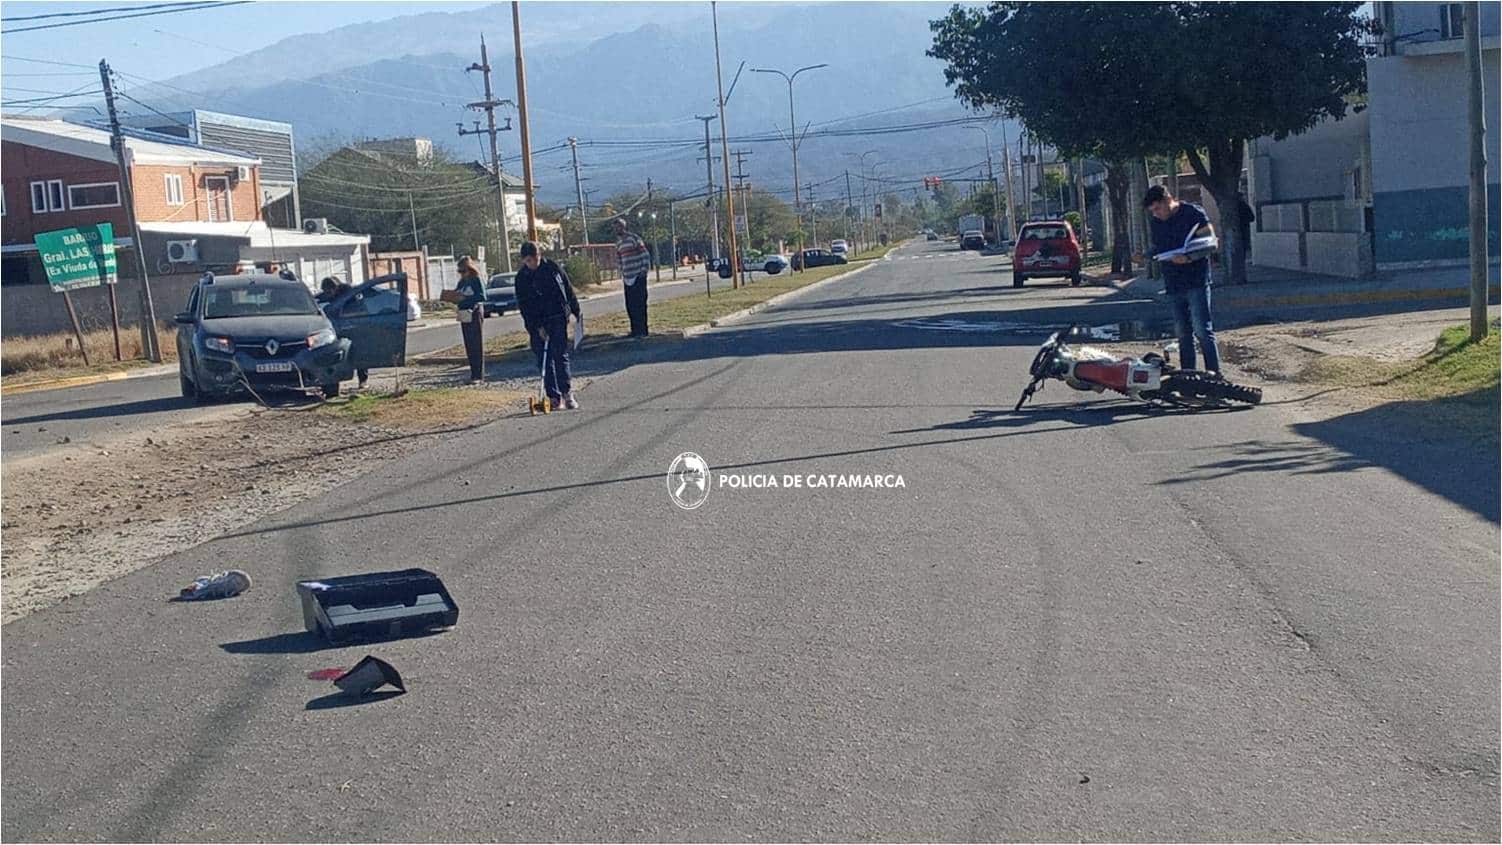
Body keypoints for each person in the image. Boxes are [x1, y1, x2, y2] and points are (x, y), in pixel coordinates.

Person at [1139, 185, 1221, 375]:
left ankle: (1215, 376)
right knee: (1183, 333)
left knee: (1202, 330)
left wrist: (1189, 258)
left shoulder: (1193, 214)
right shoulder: (1156, 222)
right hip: (1173, 282)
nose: (1156, 214)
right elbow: (1159, 248)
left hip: (1196, 280)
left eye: (1158, 209)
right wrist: (1146, 255)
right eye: (1152, 211)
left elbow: (1211, 244)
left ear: (1169, 200)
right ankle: (1188, 376)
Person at [515, 241, 581, 409]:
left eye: (536, 258)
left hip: (557, 317)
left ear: (540, 255)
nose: (533, 263)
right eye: (529, 260)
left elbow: (567, 289)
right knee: (544, 359)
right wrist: (537, 327)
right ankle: (553, 396)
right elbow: (524, 306)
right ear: (524, 260)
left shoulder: (552, 268)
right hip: (536, 322)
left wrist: (575, 311)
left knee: (560, 355)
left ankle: (567, 393)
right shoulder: (522, 278)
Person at [316, 276, 367, 388]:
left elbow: (359, 308)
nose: (328, 294)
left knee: (357, 353)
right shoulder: (331, 293)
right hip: (339, 326)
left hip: (354, 324)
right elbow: (321, 298)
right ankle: (334, 382)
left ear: (334, 288)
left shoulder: (348, 292)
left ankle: (363, 380)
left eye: (329, 291)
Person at [614, 217, 652, 337]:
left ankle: (643, 330)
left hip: (638, 275)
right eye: (615, 227)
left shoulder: (634, 239)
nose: (617, 229)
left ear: (624, 227)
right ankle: (635, 330)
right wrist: (622, 272)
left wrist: (644, 270)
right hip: (627, 277)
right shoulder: (619, 243)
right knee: (631, 305)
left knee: (640, 303)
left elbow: (645, 254)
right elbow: (619, 259)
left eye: (619, 226)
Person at [454, 256, 487, 384]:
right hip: (463, 313)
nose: (461, 274)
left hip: (474, 312)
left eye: (463, 271)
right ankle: (473, 374)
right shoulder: (462, 282)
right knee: (468, 343)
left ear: (470, 269)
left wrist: (466, 300)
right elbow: (457, 293)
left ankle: (479, 375)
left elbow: (482, 296)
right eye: (459, 271)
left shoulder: (476, 280)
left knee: (476, 343)